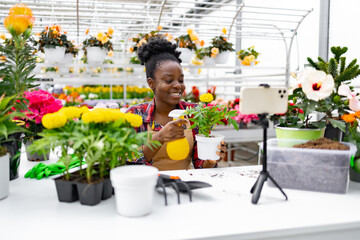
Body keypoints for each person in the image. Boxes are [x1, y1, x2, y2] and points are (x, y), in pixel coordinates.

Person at [126, 37, 227, 171]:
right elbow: (130, 164)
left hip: (186, 186)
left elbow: (201, 167)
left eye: (181, 80)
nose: (178, 86)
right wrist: (159, 138)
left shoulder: (195, 113)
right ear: (151, 83)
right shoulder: (136, 115)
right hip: (148, 186)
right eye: (169, 80)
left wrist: (211, 158)